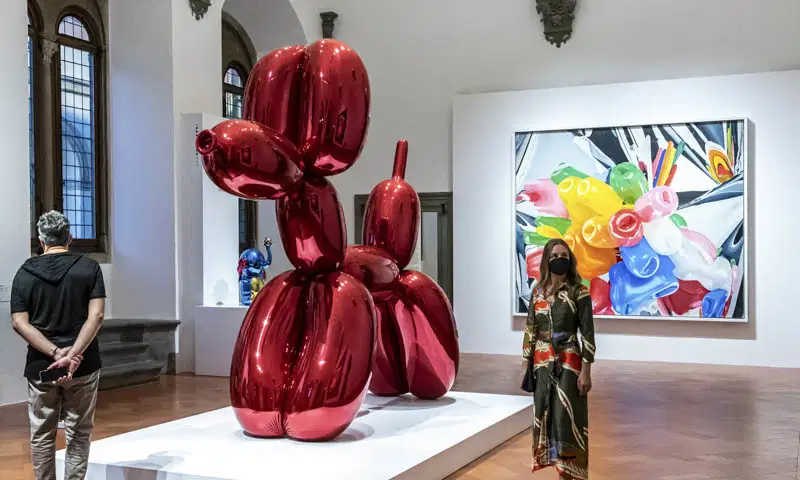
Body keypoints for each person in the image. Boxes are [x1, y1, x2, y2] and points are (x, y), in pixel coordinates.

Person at [10, 210, 106, 480]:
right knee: (79, 433)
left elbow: (19, 322)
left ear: (41, 240)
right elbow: (97, 316)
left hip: (42, 365)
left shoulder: (25, 272)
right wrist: (72, 355)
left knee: (42, 434)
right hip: (83, 363)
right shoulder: (89, 268)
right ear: (70, 238)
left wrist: (54, 353)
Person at [522, 238, 596, 480]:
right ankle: (556, 466)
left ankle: (571, 473)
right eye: (554, 257)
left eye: (563, 256)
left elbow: (587, 332)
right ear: (546, 260)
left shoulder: (579, 292)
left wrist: (586, 370)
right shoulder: (538, 292)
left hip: (569, 360)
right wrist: (526, 364)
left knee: (567, 416)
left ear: (570, 260)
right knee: (546, 414)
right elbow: (531, 328)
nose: (559, 260)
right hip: (542, 363)